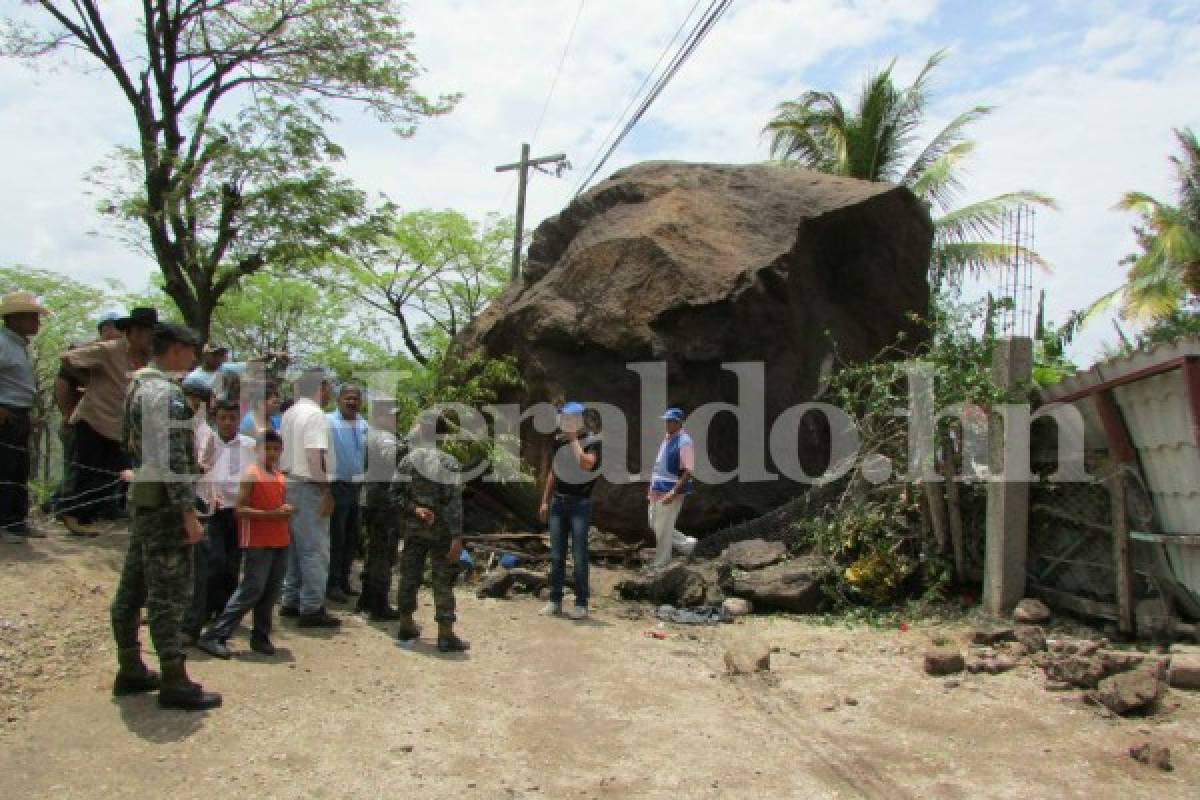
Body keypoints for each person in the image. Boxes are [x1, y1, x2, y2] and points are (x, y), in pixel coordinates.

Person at [110, 322, 221, 711]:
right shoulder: (166, 395)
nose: (193, 360)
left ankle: (130, 666)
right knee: (168, 595)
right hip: (165, 508)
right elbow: (172, 461)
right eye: (191, 352)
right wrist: (188, 514)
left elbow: (131, 446)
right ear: (176, 350)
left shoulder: (137, 387)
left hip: (144, 501)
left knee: (133, 587)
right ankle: (174, 679)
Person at [58, 306, 157, 536]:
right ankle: (71, 515)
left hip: (120, 425)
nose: (147, 337)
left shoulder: (149, 360)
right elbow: (68, 358)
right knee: (84, 469)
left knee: (114, 471)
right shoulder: (109, 350)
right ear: (130, 331)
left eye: (150, 332)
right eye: (142, 331)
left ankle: (89, 515)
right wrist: (90, 380)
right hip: (93, 418)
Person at [197, 430, 293, 658]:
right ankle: (215, 634)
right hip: (258, 540)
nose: (271, 453)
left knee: (270, 591)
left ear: (281, 451)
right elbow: (240, 510)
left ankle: (261, 636)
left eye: (275, 449)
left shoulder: (279, 476)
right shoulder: (251, 474)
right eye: (266, 449)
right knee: (252, 588)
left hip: (280, 540)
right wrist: (273, 515)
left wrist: (283, 513)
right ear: (257, 451)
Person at [390, 410, 468, 652]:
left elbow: (394, 495)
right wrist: (457, 538)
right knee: (442, 580)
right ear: (443, 435)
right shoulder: (448, 462)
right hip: (442, 533)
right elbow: (454, 504)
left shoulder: (407, 461)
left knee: (409, 576)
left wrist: (415, 510)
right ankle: (445, 634)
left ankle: (405, 624)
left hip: (414, 530)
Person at [182, 399, 256, 643]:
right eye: (223, 417)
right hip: (211, 509)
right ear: (215, 418)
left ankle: (224, 614)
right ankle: (202, 612)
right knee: (212, 562)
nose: (227, 422)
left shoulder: (249, 446)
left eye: (232, 418)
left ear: (238, 419)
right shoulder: (206, 442)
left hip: (237, 510)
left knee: (232, 563)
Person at [278, 367, 339, 628]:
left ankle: (290, 599)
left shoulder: (289, 413)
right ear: (320, 387)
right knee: (315, 549)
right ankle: (312, 606)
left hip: (288, 481)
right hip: (309, 485)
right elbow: (315, 455)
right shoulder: (315, 415)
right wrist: (326, 490)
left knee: (293, 547)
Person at [48, 311, 124, 518]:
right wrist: (67, 413)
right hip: (84, 421)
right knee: (79, 470)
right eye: (113, 327)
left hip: (110, 423)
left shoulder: (120, 354)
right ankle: (64, 510)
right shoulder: (92, 351)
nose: (117, 332)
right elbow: (64, 379)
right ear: (104, 330)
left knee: (106, 469)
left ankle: (102, 509)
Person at [538, 402, 602, 620]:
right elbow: (553, 473)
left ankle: (581, 602)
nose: (563, 423)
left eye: (567, 419)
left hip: (580, 504)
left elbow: (587, 464)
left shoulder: (593, 441)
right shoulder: (559, 442)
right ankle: (555, 600)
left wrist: (574, 439)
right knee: (556, 555)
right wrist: (545, 501)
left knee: (579, 555)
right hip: (558, 503)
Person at [0, 291, 50, 544]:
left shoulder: (18, 345)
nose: (37, 323)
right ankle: (6, 524)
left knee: (19, 468)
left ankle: (17, 521)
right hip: (6, 414)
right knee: (6, 468)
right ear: (16, 318)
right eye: (33, 318)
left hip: (19, 413)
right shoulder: (2, 343)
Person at [356, 397, 407, 620]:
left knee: (375, 550)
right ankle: (379, 604)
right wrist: (411, 443)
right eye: (391, 414)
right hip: (383, 503)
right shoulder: (384, 437)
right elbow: (392, 457)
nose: (395, 418)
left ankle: (368, 599)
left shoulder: (379, 434)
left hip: (375, 500)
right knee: (384, 554)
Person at [326, 384, 367, 603]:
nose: (352, 402)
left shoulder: (363, 424)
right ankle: (331, 583)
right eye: (348, 398)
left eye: (356, 399)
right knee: (336, 537)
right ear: (339, 399)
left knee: (352, 537)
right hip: (336, 485)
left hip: (356, 487)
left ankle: (344, 580)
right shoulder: (328, 421)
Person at [646, 407, 695, 573]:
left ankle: (661, 563)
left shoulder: (684, 441)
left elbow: (688, 471)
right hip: (658, 488)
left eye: (670, 421)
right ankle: (687, 545)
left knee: (664, 528)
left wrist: (674, 492)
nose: (667, 424)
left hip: (670, 490)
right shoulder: (668, 438)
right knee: (654, 523)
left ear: (678, 423)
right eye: (666, 421)